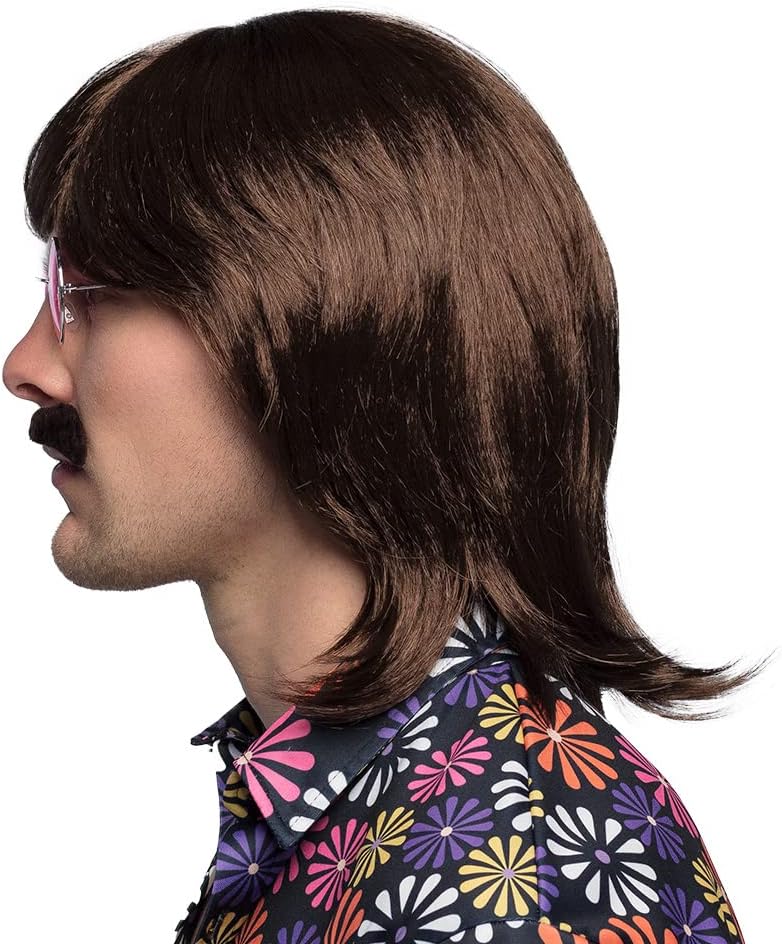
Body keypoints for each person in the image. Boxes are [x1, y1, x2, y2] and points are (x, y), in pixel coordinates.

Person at [3, 10, 769, 944]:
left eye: (82, 297)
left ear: (313, 326)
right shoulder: (352, 804)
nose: (25, 367)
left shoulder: (517, 876)